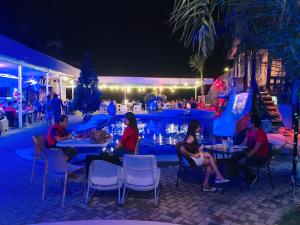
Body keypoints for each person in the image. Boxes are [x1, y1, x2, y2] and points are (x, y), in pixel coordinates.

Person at [180, 120, 229, 192]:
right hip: (190, 159)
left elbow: (191, 148)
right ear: (195, 128)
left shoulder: (192, 136)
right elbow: (182, 149)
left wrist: (199, 149)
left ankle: (207, 184)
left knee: (210, 161)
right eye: (199, 127)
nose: (200, 128)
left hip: (192, 157)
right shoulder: (191, 137)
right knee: (210, 157)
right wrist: (193, 155)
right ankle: (218, 177)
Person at [237, 116, 269, 187]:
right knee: (235, 158)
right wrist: (235, 148)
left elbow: (255, 149)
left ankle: (252, 178)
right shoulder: (250, 132)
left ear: (253, 124)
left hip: (261, 156)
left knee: (243, 162)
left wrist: (245, 157)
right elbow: (243, 144)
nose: (246, 123)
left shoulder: (260, 133)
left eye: (248, 122)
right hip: (252, 153)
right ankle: (245, 177)